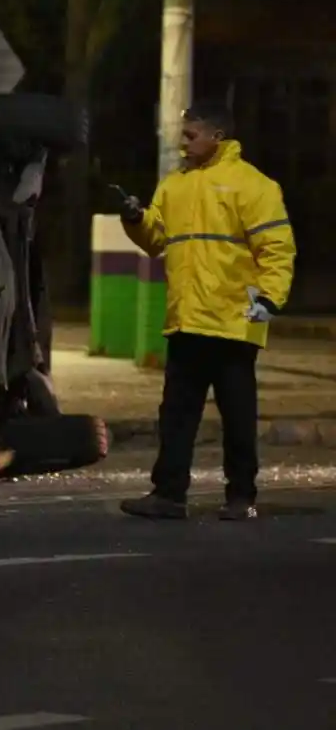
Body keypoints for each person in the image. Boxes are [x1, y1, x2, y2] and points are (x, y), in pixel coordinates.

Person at [113, 100, 296, 520]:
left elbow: (277, 249)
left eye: (191, 135)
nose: (183, 142)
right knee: (176, 414)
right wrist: (135, 218)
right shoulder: (174, 184)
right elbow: (156, 239)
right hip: (187, 318)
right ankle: (169, 495)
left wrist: (269, 298)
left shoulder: (253, 186)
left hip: (234, 321)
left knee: (237, 417)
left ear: (218, 136)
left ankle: (241, 496)